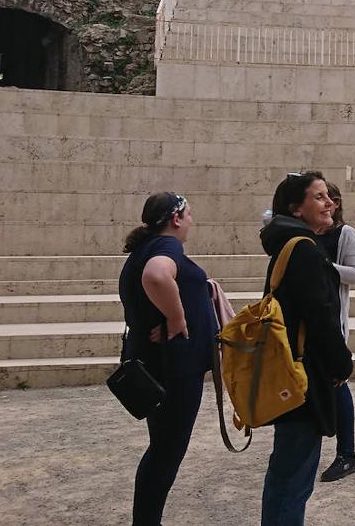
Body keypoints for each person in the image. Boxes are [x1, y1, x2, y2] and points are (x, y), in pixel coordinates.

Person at [258, 172, 354, 525]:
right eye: (318, 197)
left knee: (284, 472)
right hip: (304, 375)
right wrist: (342, 364)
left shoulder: (287, 246)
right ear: (296, 209)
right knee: (295, 477)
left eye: (327, 195)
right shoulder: (304, 251)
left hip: (288, 368)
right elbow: (320, 316)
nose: (329, 202)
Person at [118, 192, 217, 526]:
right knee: (166, 452)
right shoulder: (167, 248)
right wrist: (177, 320)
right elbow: (157, 276)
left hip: (155, 366)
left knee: (161, 448)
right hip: (174, 370)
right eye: (188, 215)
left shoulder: (144, 248)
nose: (191, 222)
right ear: (176, 219)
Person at [317, 181, 355, 483]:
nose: (327, 204)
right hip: (310, 319)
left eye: (329, 199)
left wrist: (322, 266)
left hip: (333, 320)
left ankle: (347, 454)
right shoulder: (304, 234)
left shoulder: (344, 234)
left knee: (337, 383)